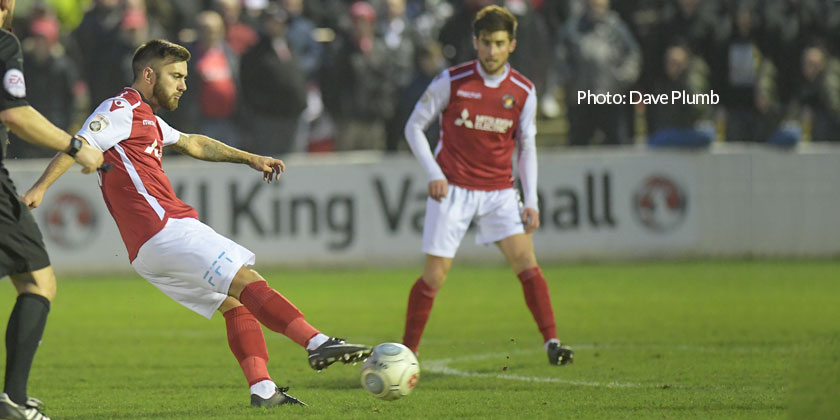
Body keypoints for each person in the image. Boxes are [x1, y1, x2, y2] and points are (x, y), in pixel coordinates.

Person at [21, 39, 370, 408]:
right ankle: (317, 342)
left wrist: (249, 158)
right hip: (166, 229)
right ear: (149, 74)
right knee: (246, 280)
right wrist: (40, 188)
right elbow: (79, 142)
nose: (183, 85)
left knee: (234, 303)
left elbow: (193, 144)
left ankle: (263, 390)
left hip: (147, 251)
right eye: (176, 76)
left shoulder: (147, 118)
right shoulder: (121, 109)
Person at [401, 5, 574, 366]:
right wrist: (434, 173)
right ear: (475, 42)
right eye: (485, 42)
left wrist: (531, 200)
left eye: (498, 43)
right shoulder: (452, 81)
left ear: (511, 45)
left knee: (526, 263)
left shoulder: (523, 91)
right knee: (435, 275)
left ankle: (553, 342)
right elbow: (413, 127)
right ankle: (408, 353)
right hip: (453, 188)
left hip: (499, 192)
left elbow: (526, 147)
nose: (491, 51)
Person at [0, 0, 105, 418]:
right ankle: (12, 400)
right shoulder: (4, 42)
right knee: (38, 281)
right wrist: (76, 146)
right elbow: (15, 113)